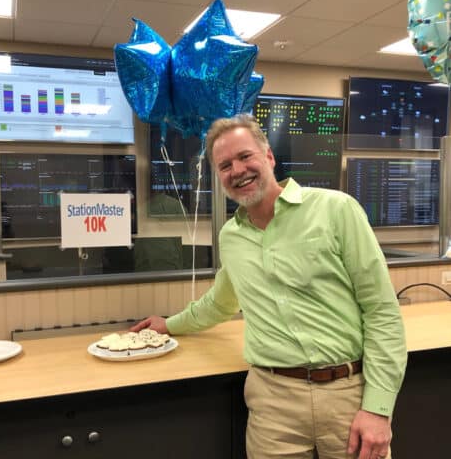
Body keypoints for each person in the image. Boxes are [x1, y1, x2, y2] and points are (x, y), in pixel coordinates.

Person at [131, 114, 407, 459]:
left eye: (245, 156)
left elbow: (381, 311)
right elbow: (219, 303)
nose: (237, 170)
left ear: (269, 157)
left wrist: (379, 409)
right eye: (225, 165)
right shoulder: (231, 237)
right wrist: (168, 325)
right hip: (272, 403)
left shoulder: (336, 210)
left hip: (347, 395)